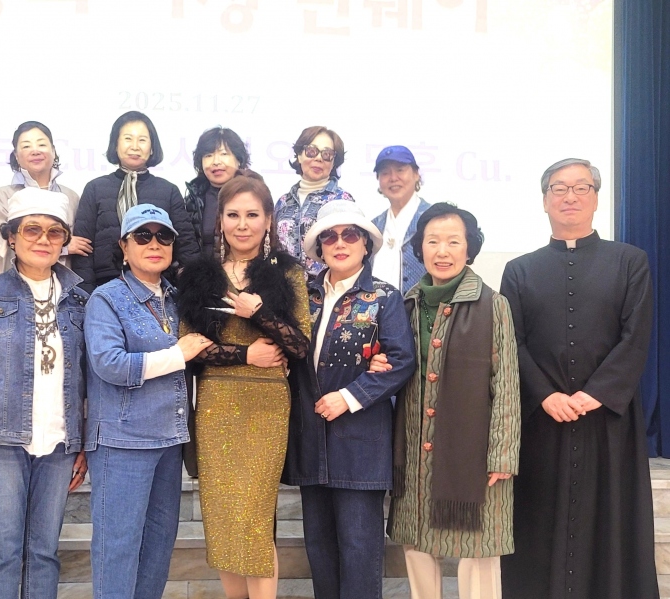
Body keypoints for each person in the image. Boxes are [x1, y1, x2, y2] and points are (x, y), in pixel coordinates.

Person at [500, 159, 658, 599]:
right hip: (543, 421)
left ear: (596, 197)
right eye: (559, 188)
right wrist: (545, 395)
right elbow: (511, 342)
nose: (570, 196)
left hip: (607, 420)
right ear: (544, 200)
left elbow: (636, 335)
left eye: (581, 187)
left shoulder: (630, 262)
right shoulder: (519, 270)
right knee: (538, 521)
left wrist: (596, 393)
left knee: (610, 521)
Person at [0, 187, 89, 599]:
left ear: (64, 240)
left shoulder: (81, 300)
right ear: (11, 236)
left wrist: (81, 442)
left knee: (44, 553)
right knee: (4, 552)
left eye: (55, 232)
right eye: (31, 229)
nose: (43, 239)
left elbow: (86, 379)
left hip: (60, 446)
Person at [177, 170, 311, 599]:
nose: (242, 224)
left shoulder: (287, 273)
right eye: (232, 214)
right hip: (215, 403)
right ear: (219, 220)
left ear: (268, 219)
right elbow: (189, 346)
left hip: (266, 405)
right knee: (223, 519)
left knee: (253, 518)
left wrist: (260, 314)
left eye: (252, 215)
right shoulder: (199, 274)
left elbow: (300, 345)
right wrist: (244, 354)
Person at [381, 202, 520, 599]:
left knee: (478, 550)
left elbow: (506, 383)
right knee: (417, 545)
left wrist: (503, 455)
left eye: (453, 241)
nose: (442, 251)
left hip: (477, 456)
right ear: (419, 248)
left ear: (469, 248)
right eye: (433, 241)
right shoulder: (405, 305)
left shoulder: (493, 305)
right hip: (415, 449)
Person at [281, 200, 415, 599]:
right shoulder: (302, 297)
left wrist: (350, 396)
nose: (340, 243)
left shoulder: (384, 297)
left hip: (360, 443)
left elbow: (401, 360)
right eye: (330, 237)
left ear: (365, 244)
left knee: (359, 551)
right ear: (319, 247)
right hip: (311, 440)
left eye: (350, 235)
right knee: (320, 550)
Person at [84, 204, 213, 599]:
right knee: (118, 546)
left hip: (170, 439)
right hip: (123, 442)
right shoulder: (106, 299)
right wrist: (178, 354)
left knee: (158, 545)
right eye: (143, 236)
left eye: (164, 236)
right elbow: (110, 364)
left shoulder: (178, 299)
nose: (154, 244)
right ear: (124, 247)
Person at [72, 111, 199, 292]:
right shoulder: (95, 188)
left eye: (142, 140)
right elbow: (83, 249)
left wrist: (192, 291)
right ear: (116, 144)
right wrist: (86, 295)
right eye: (128, 139)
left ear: (152, 147)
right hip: (105, 284)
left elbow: (186, 245)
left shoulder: (168, 190)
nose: (135, 146)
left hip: (157, 284)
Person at [0, 120, 88, 276]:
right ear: (16, 156)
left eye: (41, 144)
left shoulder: (71, 197)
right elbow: (2, 243)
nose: (35, 151)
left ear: (53, 151)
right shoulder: (4, 196)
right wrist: (64, 246)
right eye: (26, 146)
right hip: (16, 283)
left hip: (62, 284)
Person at [275, 126, 354, 280]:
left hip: (326, 287)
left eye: (327, 154)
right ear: (299, 155)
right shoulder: (283, 202)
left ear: (334, 163)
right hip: (283, 288)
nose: (318, 158)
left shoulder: (342, 201)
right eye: (311, 151)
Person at [370, 145, 431, 294]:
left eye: (400, 170)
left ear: (416, 174)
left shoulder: (432, 220)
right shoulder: (373, 227)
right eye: (385, 173)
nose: (393, 178)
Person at [183, 126, 251, 257]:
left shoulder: (253, 195)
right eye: (208, 155)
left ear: (239, 159)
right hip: (200, 269)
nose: (216, 162)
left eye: (224, 154)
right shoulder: (193, 198)